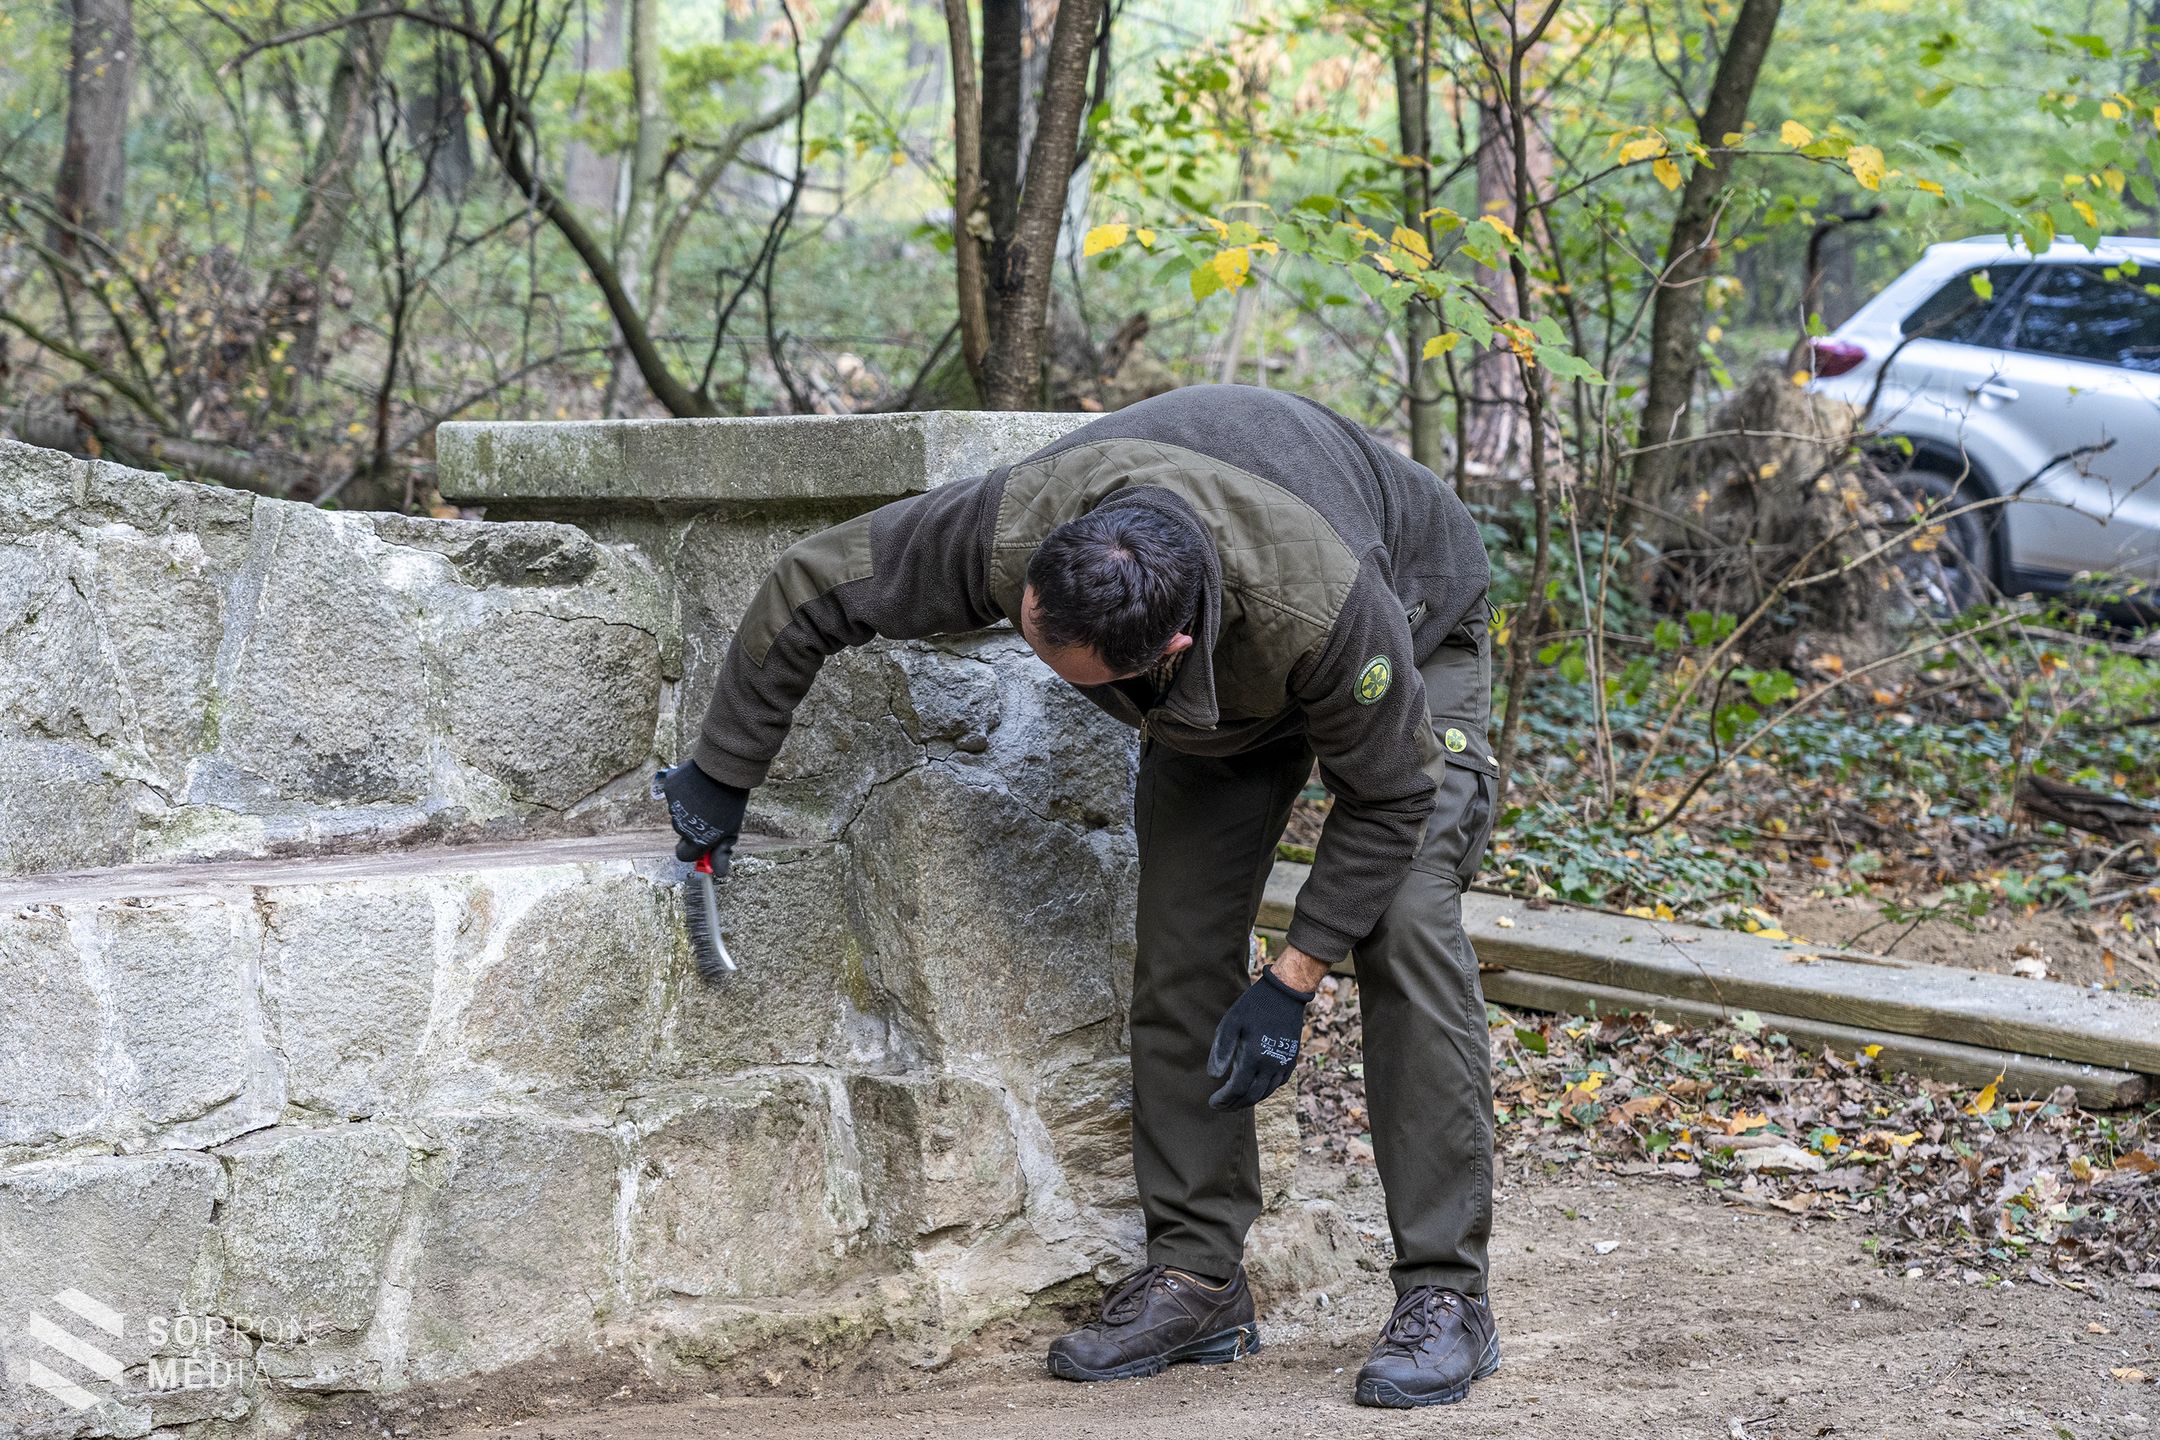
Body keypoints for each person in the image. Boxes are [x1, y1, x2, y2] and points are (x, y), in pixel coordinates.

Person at [656, 384, 1499, 1409]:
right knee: (1182, 939)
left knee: (1404, 922)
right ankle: (1197, 1276)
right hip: (1218, 710)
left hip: (1411, 625)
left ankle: (1447, 1294)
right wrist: (722, 772)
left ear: (1168, 649)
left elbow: (1391, 793)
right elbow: (813, 584)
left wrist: (1291, 977)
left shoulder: (1323, 601)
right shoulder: (1024, 522)